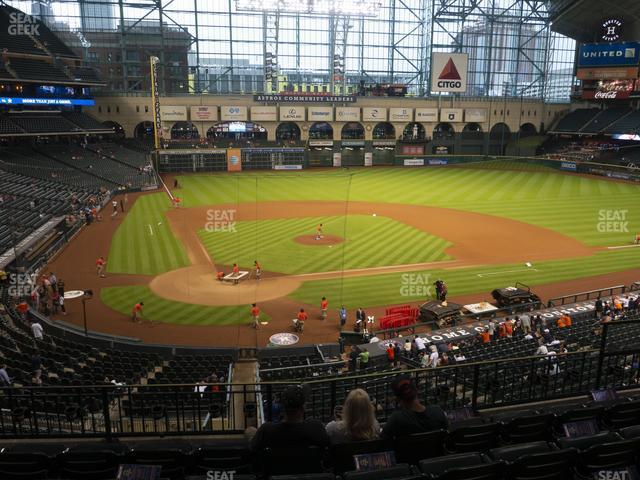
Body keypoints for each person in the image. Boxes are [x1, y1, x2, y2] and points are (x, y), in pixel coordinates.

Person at [249, 385, 329, 450]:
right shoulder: (316, 428)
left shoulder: (266, 430)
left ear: (282, 407)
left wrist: (251, 435)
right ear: (304, 407)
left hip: (277, 470)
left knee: (249, 431)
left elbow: (253, 448)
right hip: (310, 470)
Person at [381, 376, 448, 438]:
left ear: (398, 399)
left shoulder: (396, 419)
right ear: (417, 390)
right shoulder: (437, 411)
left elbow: (382, 442)